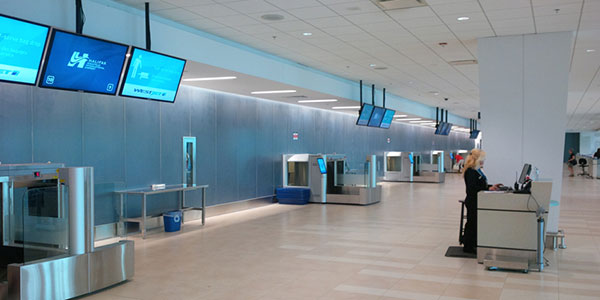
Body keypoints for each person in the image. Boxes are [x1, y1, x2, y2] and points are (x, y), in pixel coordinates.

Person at [462, 149, 502, 254]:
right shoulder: (471, 171)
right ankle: (468, 246)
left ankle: (473, 243)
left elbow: (480, 185)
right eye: (482, 159)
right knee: (472, 223)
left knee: (475, 223)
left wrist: (490, 187)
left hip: (478, 200)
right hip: (473, 201)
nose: (483, 162)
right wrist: (488, 189)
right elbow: (472, 188)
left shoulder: (477, 170)